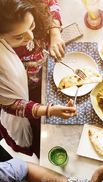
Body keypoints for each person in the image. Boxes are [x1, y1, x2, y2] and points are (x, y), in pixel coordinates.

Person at [0, 0, 77, 157]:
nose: (31, 37)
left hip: (42, 74)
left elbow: (51, 3)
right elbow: (11, 105)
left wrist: (55, 32)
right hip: (26, 93)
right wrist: (49, 110)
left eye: (32, 25)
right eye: (19, 36)